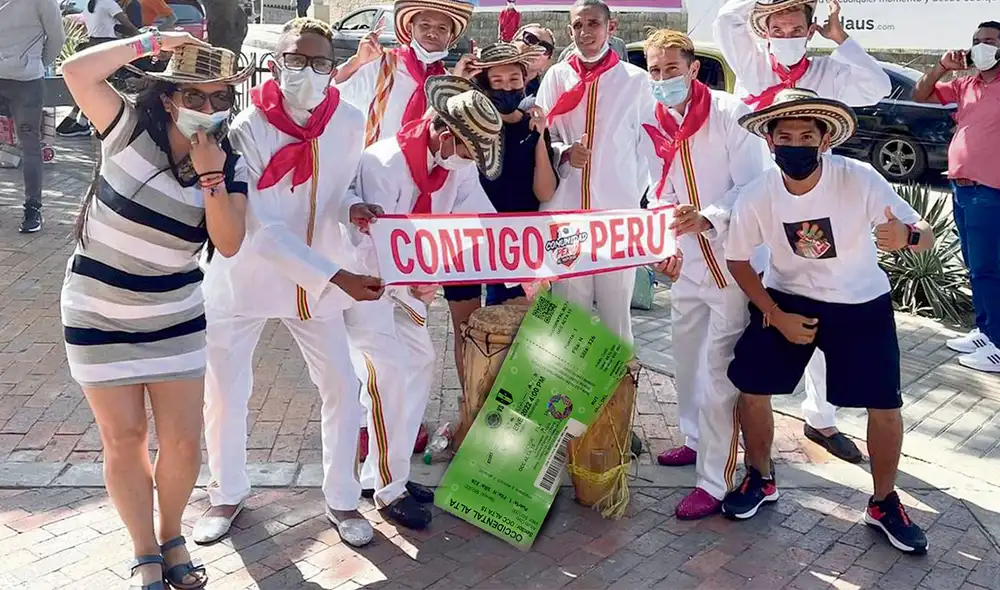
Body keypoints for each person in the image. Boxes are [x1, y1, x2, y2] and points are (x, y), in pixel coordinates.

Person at [60, 31, 250, 589]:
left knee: (185, 440)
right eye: (195, 96)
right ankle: (143, 550)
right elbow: (76, 72)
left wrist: (211, 174)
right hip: (99, 314)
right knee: (123, 438)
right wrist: (154, 40)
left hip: (175, 316)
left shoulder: (229, 161)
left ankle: (171, 536)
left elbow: (230, 240)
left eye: (220, 99)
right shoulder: (126, 130)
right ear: (169, 97)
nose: (208, 109)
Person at [192, 18, 386, 548]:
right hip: (246, 279)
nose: (308, 71)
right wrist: (337, 274)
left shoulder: (349, 119)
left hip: (316, 283)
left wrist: (356, 208)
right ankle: (226, 492)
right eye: (296, 60)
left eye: (320, 62)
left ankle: (342, 498)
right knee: (226, 391)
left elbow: (338, 187)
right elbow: (258, 226)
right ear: (276, 62)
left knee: (343, 388)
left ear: (332, 66)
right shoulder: (247, 127)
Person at [723, 88, 932, 554]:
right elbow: (738, 260)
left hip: (860, 302)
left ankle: (883, 502)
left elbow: (925, 235)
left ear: (822, 141)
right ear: (772, 144)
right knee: (751, 386)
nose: (795, 144)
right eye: (785, 136)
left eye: (805, 135)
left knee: (884, 404)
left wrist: (905, 234)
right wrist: (774, 316)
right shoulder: (758, 194)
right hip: (787, 297)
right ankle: (760, 477)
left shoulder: (858, 179)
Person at [713, 0, 892, 463]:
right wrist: (761, 2)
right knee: (777, 307)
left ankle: (821, 416)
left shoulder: (828, 71)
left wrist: (840, 39)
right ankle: (754, 445)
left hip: (824, 194)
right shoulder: (754, 63)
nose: (787, 33)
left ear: (809, 30)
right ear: (765, 30)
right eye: (778, 25)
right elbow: (724, 21)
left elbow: (877, 86)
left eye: (796, 26)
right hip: (768, 200)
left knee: (825, 306)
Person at [349, 75, 501, 530]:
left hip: (409, 286)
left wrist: (525, 257)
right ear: (443, 133)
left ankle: (382, 472)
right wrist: (423, 274)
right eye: (469, 149)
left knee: (419, 362)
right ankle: (387, 490)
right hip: (366, 285)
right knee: (386, 378)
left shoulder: (458, 165)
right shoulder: (385, 163)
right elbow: (378, 242)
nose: (472, 160)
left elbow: (479, 220)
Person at [639, 30, 764, 520]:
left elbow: (756, 187)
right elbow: (656, 193)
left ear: (693, 69)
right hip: (686, 266)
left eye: (671, 69)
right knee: (687, 360)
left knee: (718, 376)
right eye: (655, 71)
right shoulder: (652, 118)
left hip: (731, 266)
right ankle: (693, 439)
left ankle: (715, 480)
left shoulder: (731, 114)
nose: (663, 79)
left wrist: (709, 215)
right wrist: (663, 245)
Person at [536, 0, 649, 345]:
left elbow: (649, 148)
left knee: (617, 317)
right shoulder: (557, 75)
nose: (585, 33)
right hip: (566, 214)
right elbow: (542, 134)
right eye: (577, 26)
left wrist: (635, 198)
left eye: (593, 24)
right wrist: (565, 153)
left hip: (617, 218)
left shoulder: (636, 81)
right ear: (569, 30)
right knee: (570, 315)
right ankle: (566, 398)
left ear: (610, 27)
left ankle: (619, 397)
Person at [912, 22, 1000, 374]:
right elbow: (920, 94)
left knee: (988, 269)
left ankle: (997, 344)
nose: (981, 47)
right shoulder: (966, 84)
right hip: (961, 189)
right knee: (974, 266)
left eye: (990, 41)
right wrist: (942, 67)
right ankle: (985, 330)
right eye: (976, 41)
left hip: (989, 191)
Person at [336, 0, 476, 146]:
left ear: (450, 36)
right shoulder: (383, 65)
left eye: (442, 28)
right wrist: (357, 62)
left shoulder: (446, 83)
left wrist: (457, 83)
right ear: (410, 27)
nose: (433, 33)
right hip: (375, 165)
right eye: (425, 25)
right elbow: (332, 94)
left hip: (422, 167)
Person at [0, 0, 64, 234]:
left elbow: (57, 38)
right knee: (30, 145)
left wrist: (35, 65)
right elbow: (56, 38)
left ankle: (33, 207)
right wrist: (36, 65)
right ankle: (32, 210)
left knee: (30, 144)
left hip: (26, 82)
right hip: (27, 78)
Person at [57, 0, 141, 138]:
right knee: (101, 85)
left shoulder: (91, 4)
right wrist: (138, 34)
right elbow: (125, 22)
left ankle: (73, 117)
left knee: (89, 84)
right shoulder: (108, 2)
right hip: (106, 45)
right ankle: (83, 123)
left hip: (92, 43)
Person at [512, 23, 556, 100]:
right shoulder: (486, 79)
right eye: (530, 39)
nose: (537, 49)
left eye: (545, 48)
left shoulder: (545, 98)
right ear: (513, 43)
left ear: (547, 63)